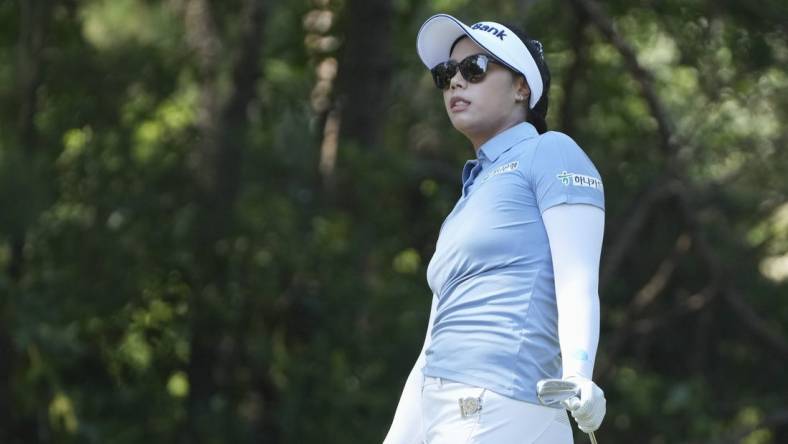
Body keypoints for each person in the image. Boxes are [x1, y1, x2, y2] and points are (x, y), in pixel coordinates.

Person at [383, 14, 607, 444]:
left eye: (475, 68)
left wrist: (578, 371)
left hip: (501, 406)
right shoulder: (466, 201)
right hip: (445, 412)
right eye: (446, 74)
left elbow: (577, 280)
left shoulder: (551, 152)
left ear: (522, 87)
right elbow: (434, 341)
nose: (455, 83)